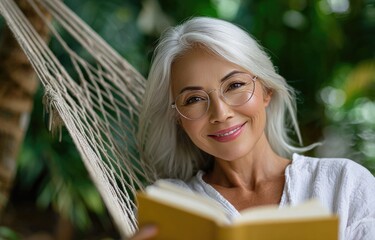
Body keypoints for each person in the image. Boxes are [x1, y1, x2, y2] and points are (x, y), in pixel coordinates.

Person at [134, 16, 375, 239]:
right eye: (194, 99)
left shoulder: (344, 183)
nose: (220, 113)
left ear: (266, 90)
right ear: (177, 116)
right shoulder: (177, 206)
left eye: (235, 85)